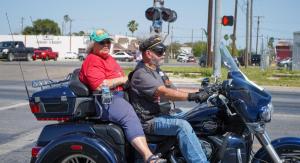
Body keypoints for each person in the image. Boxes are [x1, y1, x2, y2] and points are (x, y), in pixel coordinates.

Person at [79, 29, 165, 163]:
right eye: (102, 42)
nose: (106, 44)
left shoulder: (108, 58)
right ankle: (148, 156)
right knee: (128, 114)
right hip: (106, 99)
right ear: (93, 44)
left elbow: (122, 78)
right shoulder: (93, 60)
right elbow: (100, 86)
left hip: (119, 94)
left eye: (108, 41)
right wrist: (124, 79)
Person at [129, 35, 210, 163]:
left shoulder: (157, 71)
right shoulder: (141, 74)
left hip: (163, 115)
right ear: (149, 54)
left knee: (194, 115)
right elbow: (164, 92)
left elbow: (174, 90)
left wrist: (200, 92)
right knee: (182, 126)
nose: (163, 54)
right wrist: (192, 97)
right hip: (150, 121)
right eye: (160, 51)